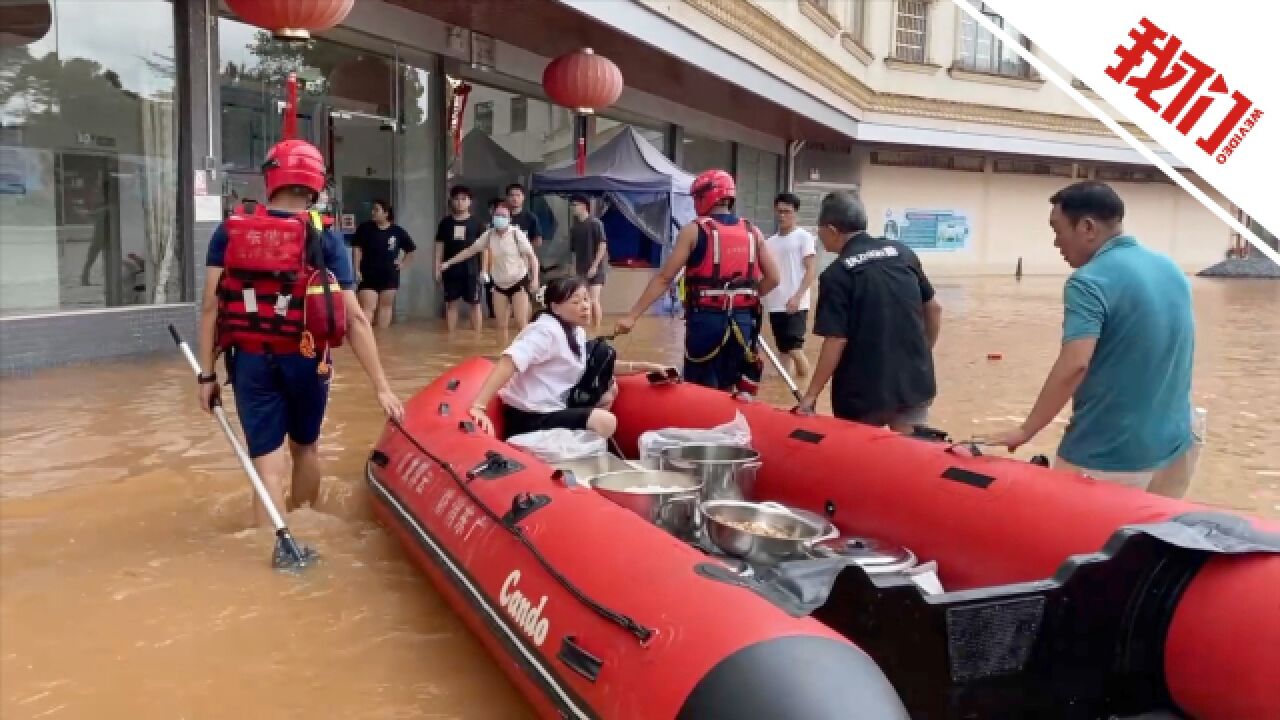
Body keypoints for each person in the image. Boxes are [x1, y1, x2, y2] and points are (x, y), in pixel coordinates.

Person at [197, 136, 403, 530]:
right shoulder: (324, 234)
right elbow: (356, 318)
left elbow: (210, 306)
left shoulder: (231, 230)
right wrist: (381, 386)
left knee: (266, 464)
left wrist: (207, 375)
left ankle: (271, 545)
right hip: (308, 359)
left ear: (270, 178)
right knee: (305, 448)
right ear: (316, 184)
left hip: (251, 361)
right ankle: (308, 527)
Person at [994, 181, 1197, 497]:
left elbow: (1075, 364)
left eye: (1058, 230)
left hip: (1110, 455)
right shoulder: (1170, 268)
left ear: (1087, 227)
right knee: (1153, 543)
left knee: (1070, 541)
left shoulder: (1089, 281)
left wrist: (1025, 430)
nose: (1055, 242)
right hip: (1176, 446)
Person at [614, 169, 780, 396]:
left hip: (706, 322)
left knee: (700, 387)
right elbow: (774, 278)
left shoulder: (694, 230)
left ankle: (701, 424)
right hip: (742, 323)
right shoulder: (753, 231)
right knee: (729, 385)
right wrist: (743, 298)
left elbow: (665, 278)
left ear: (706, 197)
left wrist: (632, 315)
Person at [795, 191, 941, 432]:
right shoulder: (903, 253)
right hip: (915, 384)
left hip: (863, 395)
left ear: (831, 230)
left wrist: (810, 396)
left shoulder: (837, 275)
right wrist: (922, 355)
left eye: (819, 229)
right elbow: (934, 309)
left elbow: (835, 340)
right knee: (910, 457)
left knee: (861, 462)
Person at [467, 276, 672, 440]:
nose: (585, 306)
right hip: (529, 415)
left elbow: (598, 366)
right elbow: (509, 361)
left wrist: (647, 366)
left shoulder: (575, 331)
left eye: (586, 299)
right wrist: (479, 406)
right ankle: (577, 455)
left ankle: (575, 444)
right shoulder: (545, 332)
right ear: (555, 307)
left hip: (555, 405)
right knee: (606, 422)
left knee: (610, 389)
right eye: (576, 301)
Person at [440, 202, 539, 344]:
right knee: (501, 325)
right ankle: (502, 355)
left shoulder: (517, 234)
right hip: (499, 284)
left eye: (503, 215)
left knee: (520, 323)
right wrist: (448, 263)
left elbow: (532, 258)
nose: (499, 218)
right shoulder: (488, 235)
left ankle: (525, 356)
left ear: (509, 219)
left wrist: (535, 279)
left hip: (519, 281)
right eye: (497, 215)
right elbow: (469, 251)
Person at [761, 192, 817, 379]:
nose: (782, 215)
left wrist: (798, 297)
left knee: (795, 348)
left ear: (795, 213)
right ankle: (784, 393)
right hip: (775, 303)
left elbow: (810, 270)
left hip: (796, 304)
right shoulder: (769, 243)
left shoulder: (804, 237)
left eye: (787, 211)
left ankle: (805, 388)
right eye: (779, 211)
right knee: (783, 352)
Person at [352, 199, 415, 328]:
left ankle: (382, 340)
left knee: (386, 307)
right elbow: (357, 249)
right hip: (368, 274)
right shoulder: (365, 228)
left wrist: (402, 264)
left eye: (376, 209)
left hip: (389, 274)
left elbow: (411, 250)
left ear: (386, 213)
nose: (373, 212)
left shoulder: (397, 231)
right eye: (373, 209)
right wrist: (356, 269)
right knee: (367, 308)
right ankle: (366, 337)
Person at [434, 185, 486, 333]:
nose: (460, 202)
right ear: (451, 201)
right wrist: (436, 268)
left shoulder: (477, 223)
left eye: (464, 199)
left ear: (470, 202)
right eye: (456, 199)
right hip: (450, 270)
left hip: (472, 270)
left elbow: (484, 249)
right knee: (451, 304)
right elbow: (439, 247)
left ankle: (477, 337)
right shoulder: (445, 223)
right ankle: (450, 336)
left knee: (475, 304)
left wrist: (484, 270)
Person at [568, 194, 609, 328]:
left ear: (584, 206)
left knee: (593, 299)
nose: (572, 208)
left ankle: (596, 329)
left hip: (596, 269)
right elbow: (573, 251)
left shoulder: (595, 223)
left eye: (575, 205)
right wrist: (573, 267)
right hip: (581, 269)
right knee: (582, 300)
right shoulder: (574, 228)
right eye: (572, 205)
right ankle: (585, 328)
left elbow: (602, 245)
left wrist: (595, 266)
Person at [506, 183, 543, 248]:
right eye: (511, 195)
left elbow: (538, 241)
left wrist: (523, 249)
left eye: (518, 195)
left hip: (524, 256)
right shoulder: (501, 217)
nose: (515, 198)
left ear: (523, 197)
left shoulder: (531, 217)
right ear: (507, 198)